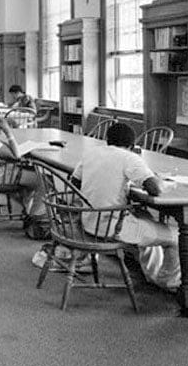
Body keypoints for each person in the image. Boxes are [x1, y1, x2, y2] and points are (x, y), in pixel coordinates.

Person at [70, 121, 180, 291]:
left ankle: (152, 274)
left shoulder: (91, 153)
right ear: (132, 146)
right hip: (111, 227)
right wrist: (165, 183)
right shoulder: (130, 158)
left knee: (146, 218)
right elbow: (155, 189)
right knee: (176, 236)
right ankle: (169, 284)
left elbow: (74, 182)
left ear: (107, 140)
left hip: (88, 222)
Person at [0, 108, 47, 237]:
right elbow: (16, 155)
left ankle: (26, 211)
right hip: (2, 177)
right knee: (45, 181)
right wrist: (8, 132)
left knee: (31, 177)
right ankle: (35, 219)